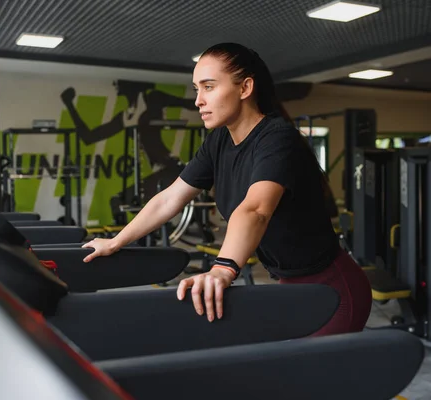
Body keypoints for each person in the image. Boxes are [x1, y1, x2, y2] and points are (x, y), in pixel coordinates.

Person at [81, 42, 372, 337]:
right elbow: (171, 198)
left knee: (313, 374)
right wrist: (116, 241)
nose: (198, 100)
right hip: (289, 283)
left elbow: (256, 209)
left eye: (208, 87)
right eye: (197, 89)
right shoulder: (218, 141)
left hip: (333, 287)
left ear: (245, 88)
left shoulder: (276, 139)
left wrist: (222, 269)